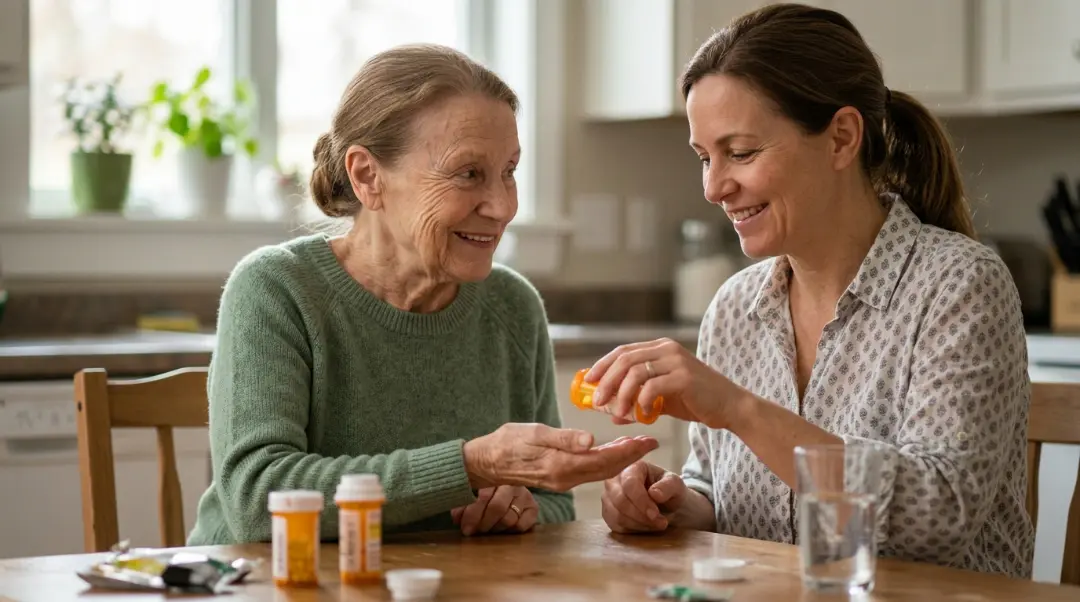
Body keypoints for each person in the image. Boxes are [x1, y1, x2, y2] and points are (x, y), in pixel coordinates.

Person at [591, 3, 1033, 578]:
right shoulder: (734, 308)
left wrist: (738, 409)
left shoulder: (959, 286)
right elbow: (719, 489)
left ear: (841, 138)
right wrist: (676, 506)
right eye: (705, 157)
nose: (713, 187)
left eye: (741, 152)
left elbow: (937, 521)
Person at [186, 44, 658, 545]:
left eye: (509, 171)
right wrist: (471, 466)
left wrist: (520, 506)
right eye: (468, 173)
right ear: (368, 176)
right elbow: (256, 501)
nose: (502, 206)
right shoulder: (276, 290)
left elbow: (554, 507)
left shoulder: (513, 307)